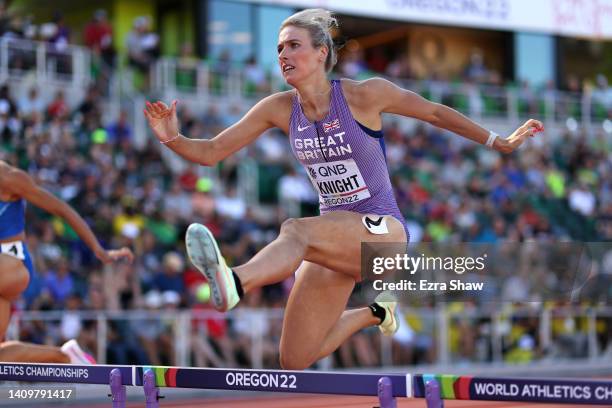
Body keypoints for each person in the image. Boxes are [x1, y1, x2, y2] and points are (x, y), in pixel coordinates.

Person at [144, 9, 543, 370]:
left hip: (383, 233)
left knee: (295, 229)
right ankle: (375, 313)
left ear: (322, 53)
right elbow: (213, 151)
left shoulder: (364, 94)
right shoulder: (279, 108)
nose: (283, 54)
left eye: (294, 46)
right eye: (279, 47)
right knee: (295, 358)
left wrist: (498, 141)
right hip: (336, 239)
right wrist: (171, 139)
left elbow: (435, 112)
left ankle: (235, 281)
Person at [0, 161, 133, 363]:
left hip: (13, 264)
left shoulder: (8, 178)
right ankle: (66, 356)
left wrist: (98, 249)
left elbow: (62, 209)